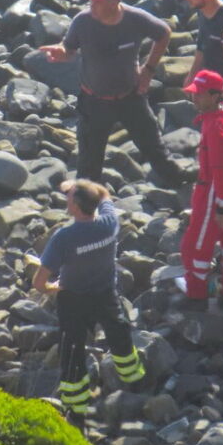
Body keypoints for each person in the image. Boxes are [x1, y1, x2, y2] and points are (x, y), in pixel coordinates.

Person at [40, 0, 183, 186]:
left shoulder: (135, 19)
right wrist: (61, 53)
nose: (91, 5)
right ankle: (85, 207)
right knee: (89, 161)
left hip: (130, 97)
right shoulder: (83, 21)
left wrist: (149, 69)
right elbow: (69, 49)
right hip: (94, 100)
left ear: (114, 1)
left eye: (96, 1)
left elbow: (164, 33)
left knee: (154, 148)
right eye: (90, 0)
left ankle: (184, 188)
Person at [32, 179, 146, 431]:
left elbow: (39, 282)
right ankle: (135, 382)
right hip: (105, 293)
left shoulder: (64, 237)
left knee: (72, 352)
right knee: (119, 334)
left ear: (76, 206)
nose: (66, 199)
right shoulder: (109, 222)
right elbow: (104, 193)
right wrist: (81, 186)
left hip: (73, 299)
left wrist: (53, 288)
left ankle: (77, 411)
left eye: (70, 196)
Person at [179, 70, 223, 311]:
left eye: (198, 94)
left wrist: (221, 207)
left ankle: (196, 297)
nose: (194, 99)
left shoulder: (216, 129)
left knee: (195, 245)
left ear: (214, 96)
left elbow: (219, 171)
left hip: (215, 192)